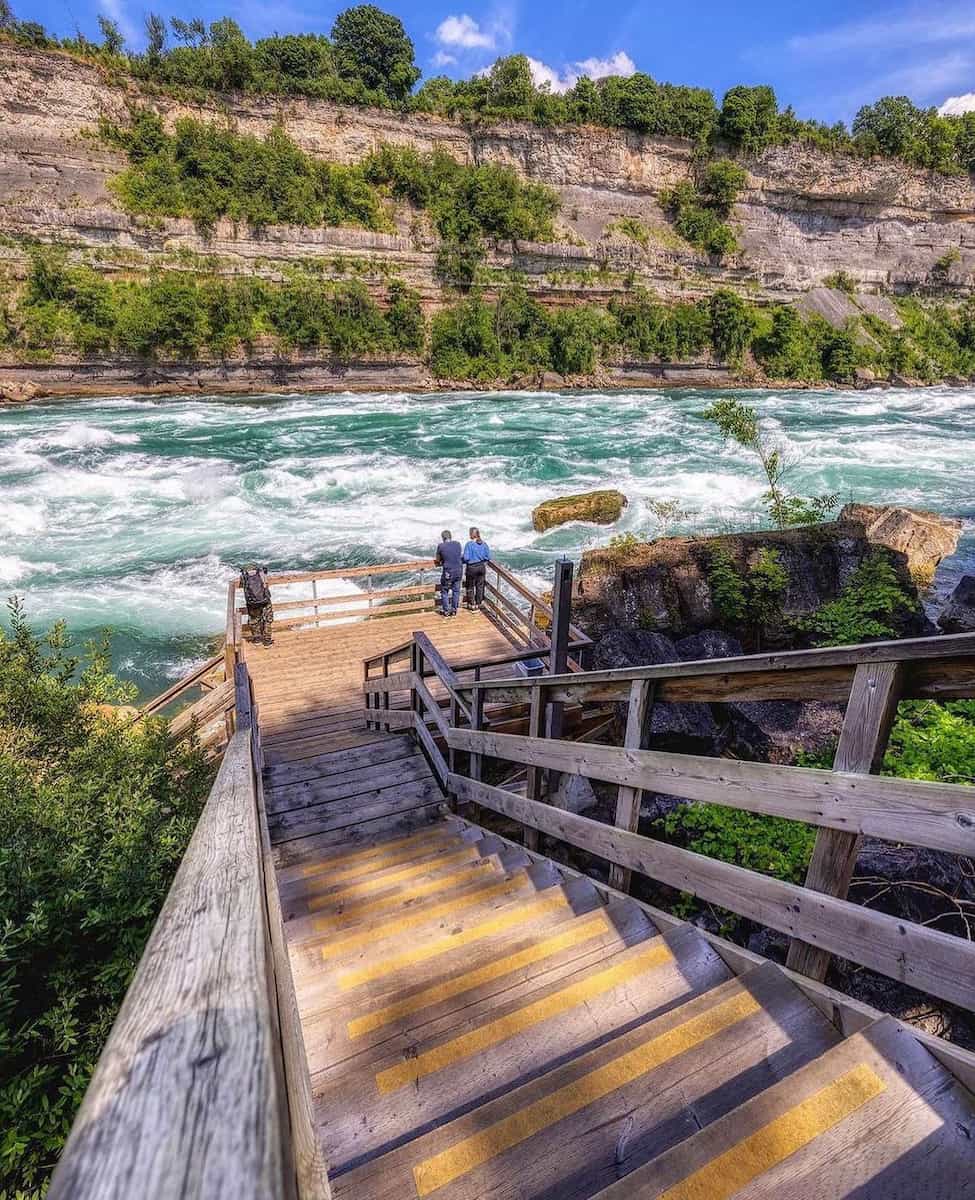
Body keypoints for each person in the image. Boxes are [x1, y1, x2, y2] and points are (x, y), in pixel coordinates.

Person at [240, 564, 273, 645]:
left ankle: (257, 640)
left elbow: (242, 586)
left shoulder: (244, 576)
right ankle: (267, 641)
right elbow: (266, 583)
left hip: (252, 603)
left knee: (254, 620)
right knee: (267, 620)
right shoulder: (262, 573)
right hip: (265, 601)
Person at [434, 529, 463, 617]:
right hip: (459, 570)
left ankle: (446, 611)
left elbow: (438, 560)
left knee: (445, 590)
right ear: (451, 536)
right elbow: (457, 555)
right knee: (456, 591)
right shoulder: (458, 544)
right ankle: (454, 610)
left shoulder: (441, 546)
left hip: (448, 571)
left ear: (443, 538)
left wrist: (441, 561)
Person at [463, 526, 490, 610]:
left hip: (472, 568)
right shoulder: (484, 544)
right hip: (481, 567)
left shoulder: (469, 544)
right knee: (480, 586)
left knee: (470, 586)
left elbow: (466, 558)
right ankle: (479, 603)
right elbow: (488, 557)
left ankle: (472, 604)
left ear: (471, 535)